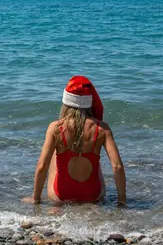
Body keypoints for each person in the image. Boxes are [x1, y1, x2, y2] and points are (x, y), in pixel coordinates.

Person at [25, 76, 126, 205]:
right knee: (93, 155)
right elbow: (117, 166)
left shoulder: (55, 128)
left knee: (53, 157)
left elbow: (41, 167)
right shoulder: (102, 129)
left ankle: (53, 205)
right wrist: (122, 201)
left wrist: (36, 199)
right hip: (93, 196)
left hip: (60, 196)